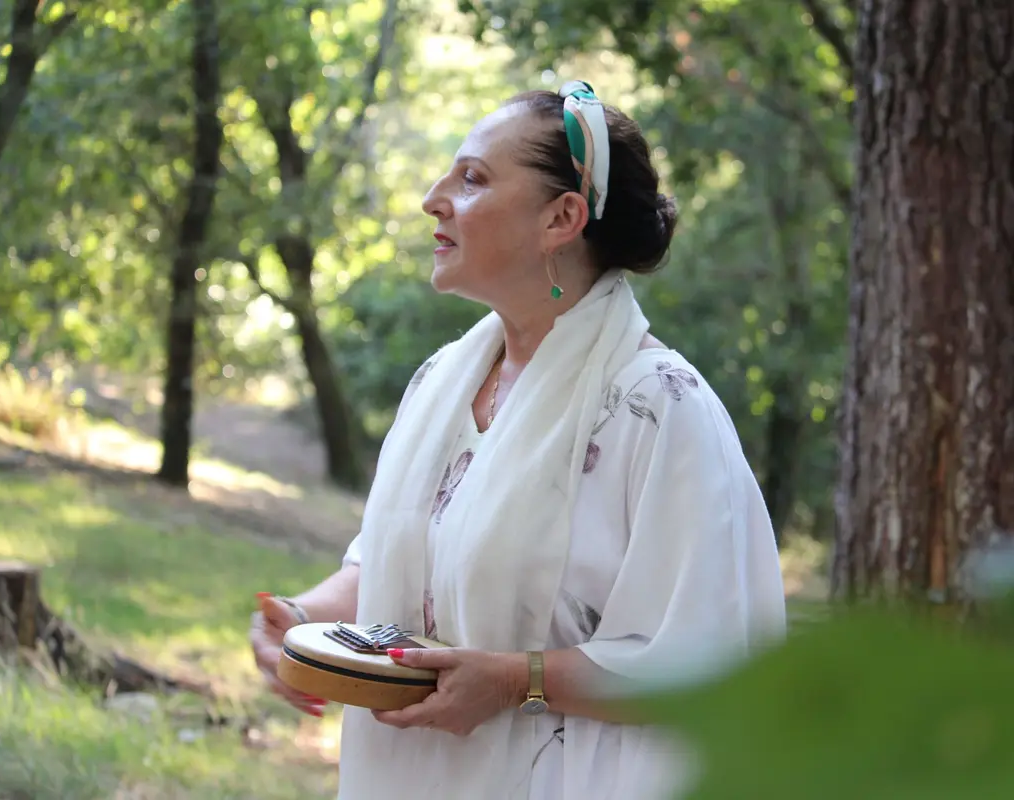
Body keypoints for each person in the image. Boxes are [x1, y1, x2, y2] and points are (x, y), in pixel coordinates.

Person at [250, 80, 786, 799]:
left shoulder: (657, 408)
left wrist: (515, 683)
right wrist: (304, 619)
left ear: (561, 217)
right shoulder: (442, 381)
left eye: (472, 179)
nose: (433, 199)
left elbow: (712, 669)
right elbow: (400, 569)